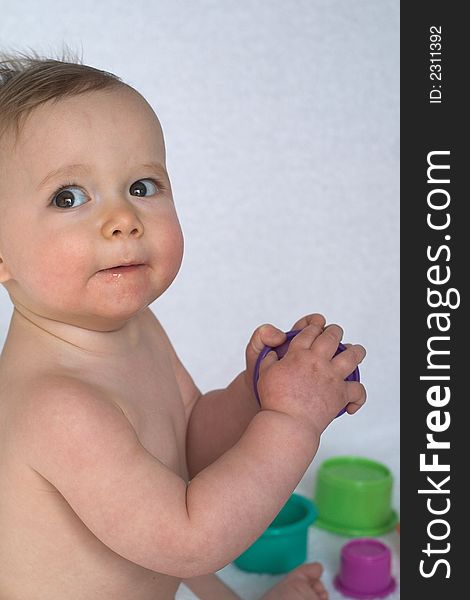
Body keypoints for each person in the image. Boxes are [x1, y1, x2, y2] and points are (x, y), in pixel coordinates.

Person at [0, 50, 366, 600]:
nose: (123, 219)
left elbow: (191, 442)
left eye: (142, 187)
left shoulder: (137, 329)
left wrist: (257, 398)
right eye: (68, 196)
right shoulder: (57, 407)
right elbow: (191, 540)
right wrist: (292, 423)